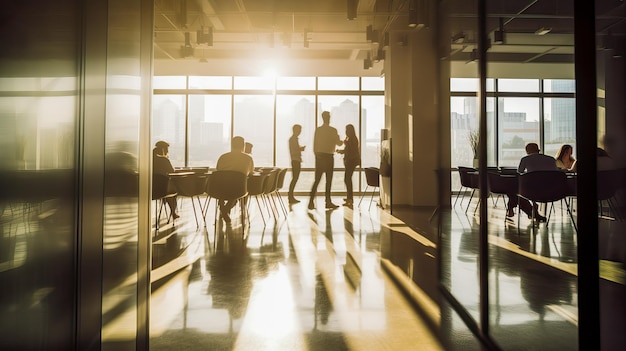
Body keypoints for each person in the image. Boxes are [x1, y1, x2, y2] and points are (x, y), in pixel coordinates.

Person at [507, 142, 558, 221]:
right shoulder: (551, 159)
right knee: (514, 191)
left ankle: (529, 211)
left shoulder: (525, 159)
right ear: (538, 150)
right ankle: (533, 212)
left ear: (527, 151)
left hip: (533, 190)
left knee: (512, 190)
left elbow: (519, 173)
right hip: (552, 191)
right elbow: (556, 174)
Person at [308, 111, 343, 210]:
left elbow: (315, 145)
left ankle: (311, 202)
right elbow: (339, 143)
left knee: (317, 180)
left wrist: (316, 156)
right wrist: (340, 139)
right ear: (329, 118)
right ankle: (328, 201)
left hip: (319, 157)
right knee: (328, 180)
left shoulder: (318, 130)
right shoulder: (333, 130)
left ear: (322, 118)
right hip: (329, 157)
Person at [216, 136, 255, 223]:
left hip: (220, 189)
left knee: (224, 184)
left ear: (232, 145)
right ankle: (226, 209)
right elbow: (251, 172)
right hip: (238, 189)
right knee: (238, 188)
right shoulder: (248, 158)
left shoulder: (223, 157)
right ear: (243, 146)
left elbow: (218, 171)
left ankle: (223, 207)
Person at [153, 140, 179, 219]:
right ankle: (173, 212)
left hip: (149, 189)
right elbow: (172, 171)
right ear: (163, 149)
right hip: (163, 189)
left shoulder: (148, 159)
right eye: (167, 149)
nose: (168, 151)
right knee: (173, 191)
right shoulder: (164, 160)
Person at [336, 124, 360, 208]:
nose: (346, 132)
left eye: (347, 130)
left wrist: (346, 143)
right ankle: (349, 197)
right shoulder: (350, 139)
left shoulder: (353, 139)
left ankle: (350, 199)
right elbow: (347, 151)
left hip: (351, 162)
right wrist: (341, 151)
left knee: (347, 179)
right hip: (349, 162)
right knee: (347, 179)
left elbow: (353, 150)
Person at [288, 124, 305, 204]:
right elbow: (294, 149)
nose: (300, 132)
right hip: (295, 160)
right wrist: (300, 149)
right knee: (295, 178)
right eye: (299, 130)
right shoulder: (293, 139)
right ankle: (290, 196)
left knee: (295, 178)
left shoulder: (293, 139)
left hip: (296, 160)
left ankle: (291, 196)